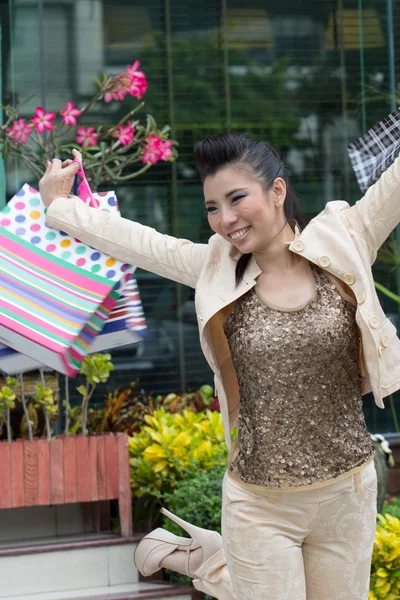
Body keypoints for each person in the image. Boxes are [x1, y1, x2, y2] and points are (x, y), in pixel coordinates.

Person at [39, 135, 400, 600]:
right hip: (260, 503)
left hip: (346, 493)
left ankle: (211, 559)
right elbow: (138, 242)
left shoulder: (347, 237)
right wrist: (60, 205)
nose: (226, 219)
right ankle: (219, 563)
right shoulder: (213, 266)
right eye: (213, 207)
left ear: (277, 191)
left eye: (237, 199)